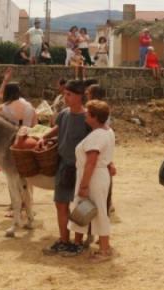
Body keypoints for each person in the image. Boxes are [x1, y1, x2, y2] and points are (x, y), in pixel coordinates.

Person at [38, 80, 93, 256]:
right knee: (60, 203)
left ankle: (77, 243)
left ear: (80, 96)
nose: (65, 97)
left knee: (79, 206)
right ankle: (63, 240)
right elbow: (58, 128)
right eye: (64, 94)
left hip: (80, 168)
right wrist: (43, 137)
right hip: (63, 165)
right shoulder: (64, 114)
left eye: (69, 94)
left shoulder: (88, 118)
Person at [65, 100, 115, 262]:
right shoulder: (107, 131)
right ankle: (104, 247)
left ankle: (104, 250)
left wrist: (84, 185)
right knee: (98, 210)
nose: (85, 115)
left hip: (94, 176)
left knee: (99, 212)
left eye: (88, 114)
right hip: (98, 175)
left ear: (94, 117)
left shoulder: (98, 135)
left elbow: (91, 162)